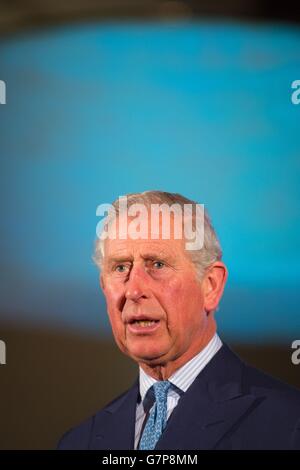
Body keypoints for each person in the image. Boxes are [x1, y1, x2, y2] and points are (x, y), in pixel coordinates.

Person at [58, 190, 300, 450]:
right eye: (120, 268)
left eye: (158, 265)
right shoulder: (79, 442)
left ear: (210, 286)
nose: (133, 290)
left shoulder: (289, 426)